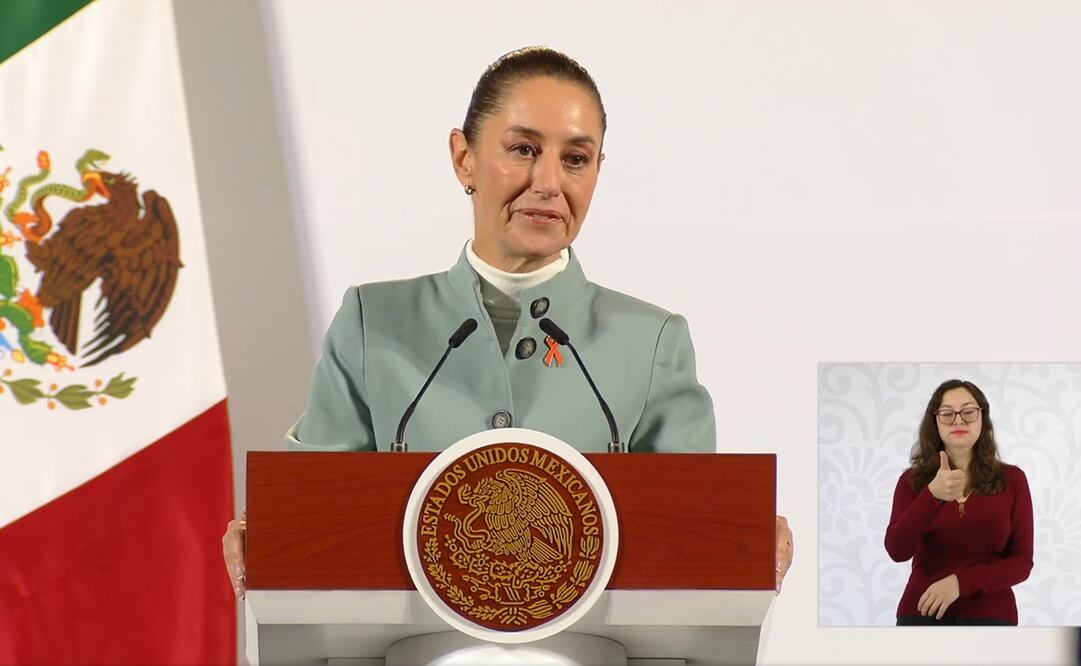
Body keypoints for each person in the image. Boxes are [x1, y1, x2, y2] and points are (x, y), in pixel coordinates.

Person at [223, 45, 793, 598]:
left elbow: (693, 547)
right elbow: (313, 520)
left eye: (575, 158)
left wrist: (742, 542)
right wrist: (266, 537)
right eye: (523, 149)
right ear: (462, 157)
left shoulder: (651, 343)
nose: (549, 182)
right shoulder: (374, 324)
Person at [884, 379, 1033, 625]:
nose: (958, 420)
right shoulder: (912, 481)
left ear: (982, 418)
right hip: (922, 614)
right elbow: (897, 551)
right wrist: (932, 495)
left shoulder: (1012, 479)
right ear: (935, 422)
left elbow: (1021, 562)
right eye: (947, 413)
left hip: (992, 618)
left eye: (968, 412)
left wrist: (959, 583)